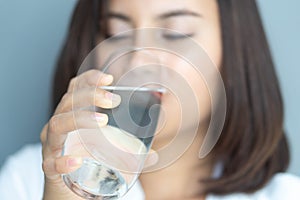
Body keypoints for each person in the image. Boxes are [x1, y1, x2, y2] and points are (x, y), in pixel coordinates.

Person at [0, 0, 300, 199]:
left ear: (236, 48)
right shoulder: (29, 180)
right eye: (115, 33)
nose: (137, 58)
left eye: (175, 33)